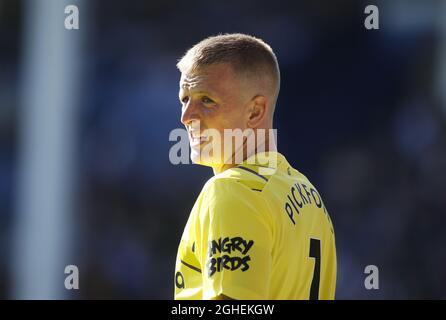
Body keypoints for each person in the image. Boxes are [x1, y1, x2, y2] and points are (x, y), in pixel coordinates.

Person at [174, 33, 336, 300]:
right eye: (184, 99)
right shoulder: (308, 194)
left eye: (206, 100)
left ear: (255, 111)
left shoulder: (232, 191)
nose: (186, 117)